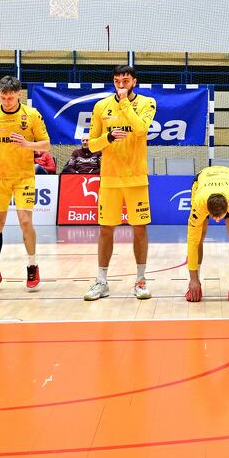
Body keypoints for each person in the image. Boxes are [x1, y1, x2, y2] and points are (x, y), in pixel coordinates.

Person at [84, 64, 157, 301]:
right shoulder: (101, 106)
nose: (121, 85)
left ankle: (140, 280)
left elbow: (140, 128)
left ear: (134, 81)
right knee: (106, 230)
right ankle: (101, 282)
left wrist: (125, 103)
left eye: (125, 81)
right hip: (110, 178)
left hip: (136, 177)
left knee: (140, 229)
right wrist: (108, 136)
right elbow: (91, 144)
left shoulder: (147, 103)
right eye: (117, 81)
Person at [0, 75, 50, 293]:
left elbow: (46, 145)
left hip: (24, 177)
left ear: (19, 95)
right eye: (3, 97)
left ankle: (32, 266)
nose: (6, 101)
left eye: (10, 97)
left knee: (25, 221)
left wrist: (26, 144)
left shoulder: (31, 115)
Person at [184, 165, 229, 303]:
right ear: (207, 210)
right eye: (214, 217)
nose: (217, 220)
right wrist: (193, 279)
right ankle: (195, 283)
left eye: (220, 217)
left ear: (227, 208)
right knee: (199, 236)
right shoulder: (200, 204)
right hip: (202, 181)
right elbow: (192, 241)